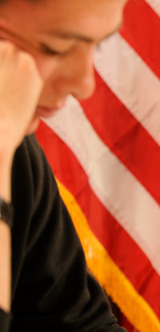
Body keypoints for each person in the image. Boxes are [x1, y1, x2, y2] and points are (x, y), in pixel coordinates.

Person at [0, 0, 128, 330]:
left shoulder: (19, 156)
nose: (86, 85)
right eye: (56, 48)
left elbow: (78, 322)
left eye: (98, 44)